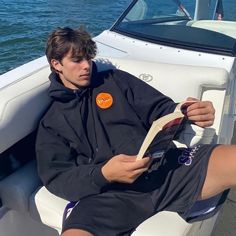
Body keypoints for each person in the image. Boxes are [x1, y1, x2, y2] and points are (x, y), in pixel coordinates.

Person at [36, 27, 236, 236]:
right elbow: (57, 177)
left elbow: (161, 109)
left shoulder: (117, 81)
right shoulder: (52, 122)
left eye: (88, 58)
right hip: (109, 196)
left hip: (164, 169)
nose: (86, 66)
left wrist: (187, 111)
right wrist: (104, 173)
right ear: (56, 64)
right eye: (77, 60)